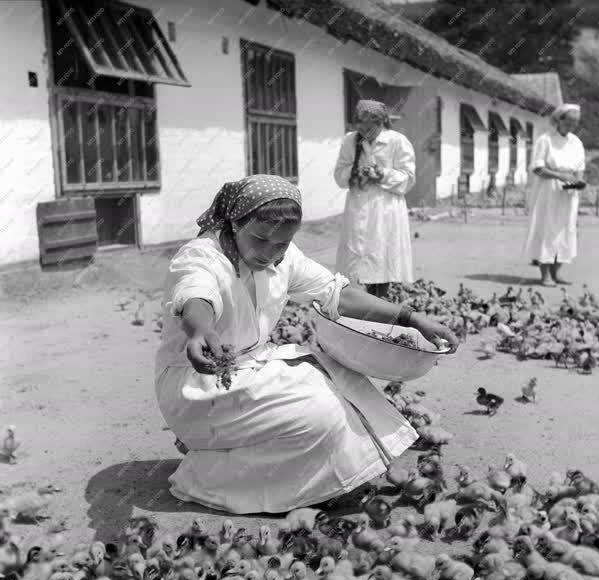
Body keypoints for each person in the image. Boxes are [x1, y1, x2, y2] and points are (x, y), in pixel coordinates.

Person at [154, 175, 458, 515]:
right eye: (259, 239)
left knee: (342, 376)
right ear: (235, 223)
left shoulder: (284, 257)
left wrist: (410, 318)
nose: (269, 253)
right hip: (201, 382)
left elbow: (336, 293)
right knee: (319, 413)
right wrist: (201, 332)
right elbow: (195, 294)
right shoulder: (202, 255)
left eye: (281, 244)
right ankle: (205, 474)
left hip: (250, 368)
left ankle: (333, 470)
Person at [334, 99, 416, 299]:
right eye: (361, 123)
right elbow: (339, 175)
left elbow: (408, 178)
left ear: (382, 123)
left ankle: (380, 301)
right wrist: (355, 173)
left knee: (381, 255)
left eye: (371, 125)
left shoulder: (397, 141)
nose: (365, 129)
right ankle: (361, 302)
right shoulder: (350, 140)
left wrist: (381, 174)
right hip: (358, 206)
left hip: (385, 209)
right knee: (356, 259)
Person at [523, 103, 586, 287]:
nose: (572, 126)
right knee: (548, 228)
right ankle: (545, 275)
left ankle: (556, 272)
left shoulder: (576, 142)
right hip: (548, 189)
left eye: (575, 123)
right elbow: (537, 168)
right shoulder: (546, 140)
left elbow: (580, 167)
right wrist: (560, 176)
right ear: (559, 120)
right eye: (569, 122)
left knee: (567, 229)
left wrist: (578, 182)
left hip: (569, 192)